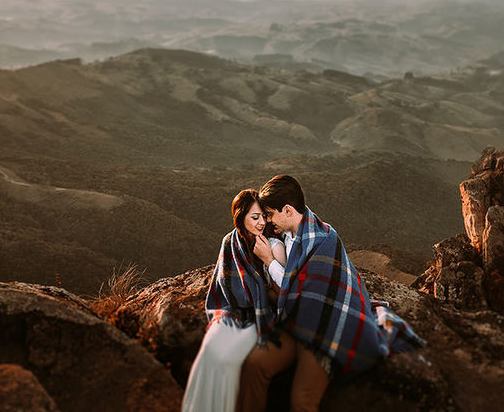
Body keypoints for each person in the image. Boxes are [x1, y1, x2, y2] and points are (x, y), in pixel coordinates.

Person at [237, 175, 425, 412]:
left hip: (323, 329)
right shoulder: (284, 238)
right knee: (254, 367)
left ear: (287, 210)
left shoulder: (323, 240)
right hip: (293, 324)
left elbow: (301, 292)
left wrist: (268, 261)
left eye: (270, 214)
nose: (267, 220)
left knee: (302, 401)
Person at [182, 189, 286, 412]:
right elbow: (223, 282)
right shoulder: (230, 242)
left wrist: (266, 261)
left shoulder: (274, 244)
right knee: (209, 351)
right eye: (254, 217)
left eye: (263, 217)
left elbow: (282, 291)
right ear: (241, 217)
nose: (261, 223)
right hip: (231, 311)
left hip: (260, 314)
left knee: (228, 360)